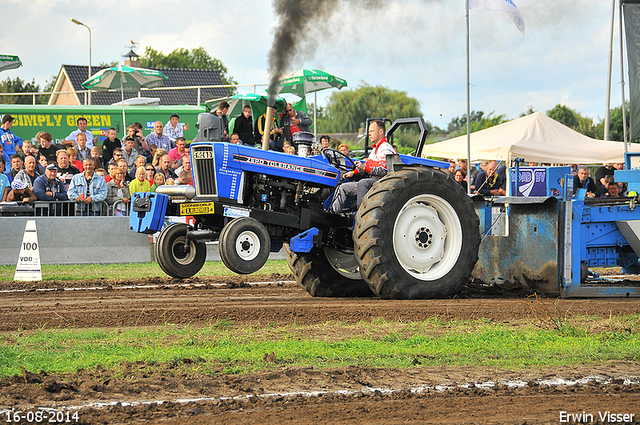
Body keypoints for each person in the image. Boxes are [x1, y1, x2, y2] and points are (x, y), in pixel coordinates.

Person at [329, 120, 395, 213]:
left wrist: (364, 168)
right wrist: (353, 173)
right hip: (373, 182)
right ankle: (333, 214)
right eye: (369, 132)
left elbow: (383, 171)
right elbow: (366, 166)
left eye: (372, 131)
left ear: (380, 132)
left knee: (363, 183)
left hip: (382, 182)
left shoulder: (385, 149)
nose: (369, 134)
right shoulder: (375, 149)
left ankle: (361, 215)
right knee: (343, 187)